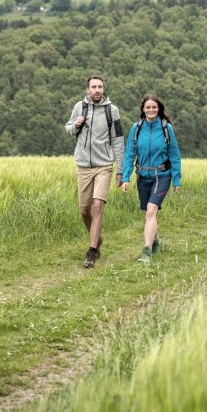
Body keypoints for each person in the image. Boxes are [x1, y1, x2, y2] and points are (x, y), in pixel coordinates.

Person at [65, 75, 124, 268]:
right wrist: (76, 124)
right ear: (88, 89)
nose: (97, 90)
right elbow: (68, 129)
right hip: (83, 166)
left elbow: (117, 140)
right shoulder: (78, 107)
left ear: (103, 89)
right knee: (84, 210)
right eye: (94, 87)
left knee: (97, 205)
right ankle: (96, 238)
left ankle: (92, 252)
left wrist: (120, 170)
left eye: (100, 87)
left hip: (104, 165)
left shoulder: (112, 111)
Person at [121, 94, 182, 264]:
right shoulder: (137, 128)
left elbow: (174, 155)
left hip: (162, 175)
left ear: (159, 109)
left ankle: (146, 252)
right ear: (143, 109)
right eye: (148, 107)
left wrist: (176, 179)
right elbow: (129, 154)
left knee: (150, 211)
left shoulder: (166, 128)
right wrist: (126, 178)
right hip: (142, 176)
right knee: (148, 214)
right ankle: (155, 241)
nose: (151, 110)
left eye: (154, 107)